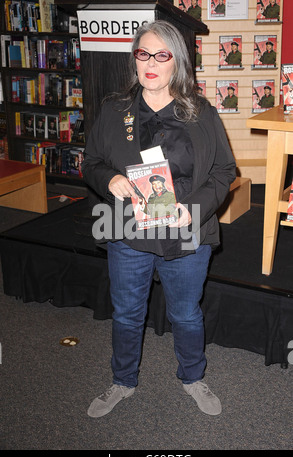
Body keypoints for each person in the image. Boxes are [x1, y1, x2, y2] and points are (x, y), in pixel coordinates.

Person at [82, 20, 236, 418]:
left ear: (176, 62)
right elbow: (92, 162)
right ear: (134, 60)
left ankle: (192, 377)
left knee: (186, 312)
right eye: (143, 53)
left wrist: (196, 207)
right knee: (127, 313)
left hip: (185, 228)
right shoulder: (114, 111)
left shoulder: (202, 113)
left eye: (161, 54)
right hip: (128, 229)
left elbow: (224, 171)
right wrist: (110, 179)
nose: (150, 62)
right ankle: (122, 381)